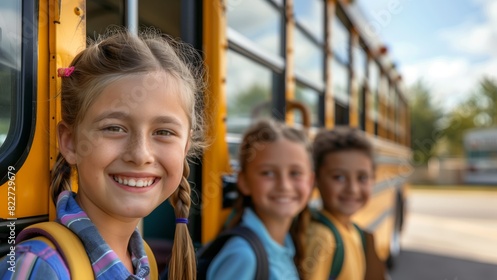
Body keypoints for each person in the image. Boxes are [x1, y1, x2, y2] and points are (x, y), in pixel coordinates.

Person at [0, 29, 205, 280]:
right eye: (114, 128)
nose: (140, 155)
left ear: (186, 146)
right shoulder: (43, 267)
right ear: (70, 142)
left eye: (164, 131)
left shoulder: (143, 260)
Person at [206, 119, 314, 280]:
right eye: (268, 173)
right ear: (244, 182)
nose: (284, 185)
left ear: (311, 182)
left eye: (295, 173)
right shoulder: (243, 255)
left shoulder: (286, 243)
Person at [302, 126, 376, 280]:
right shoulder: (323, 238)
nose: (352, 189)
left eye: (362, 177)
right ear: (316, 180)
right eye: (339, 177)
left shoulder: (353, 231)